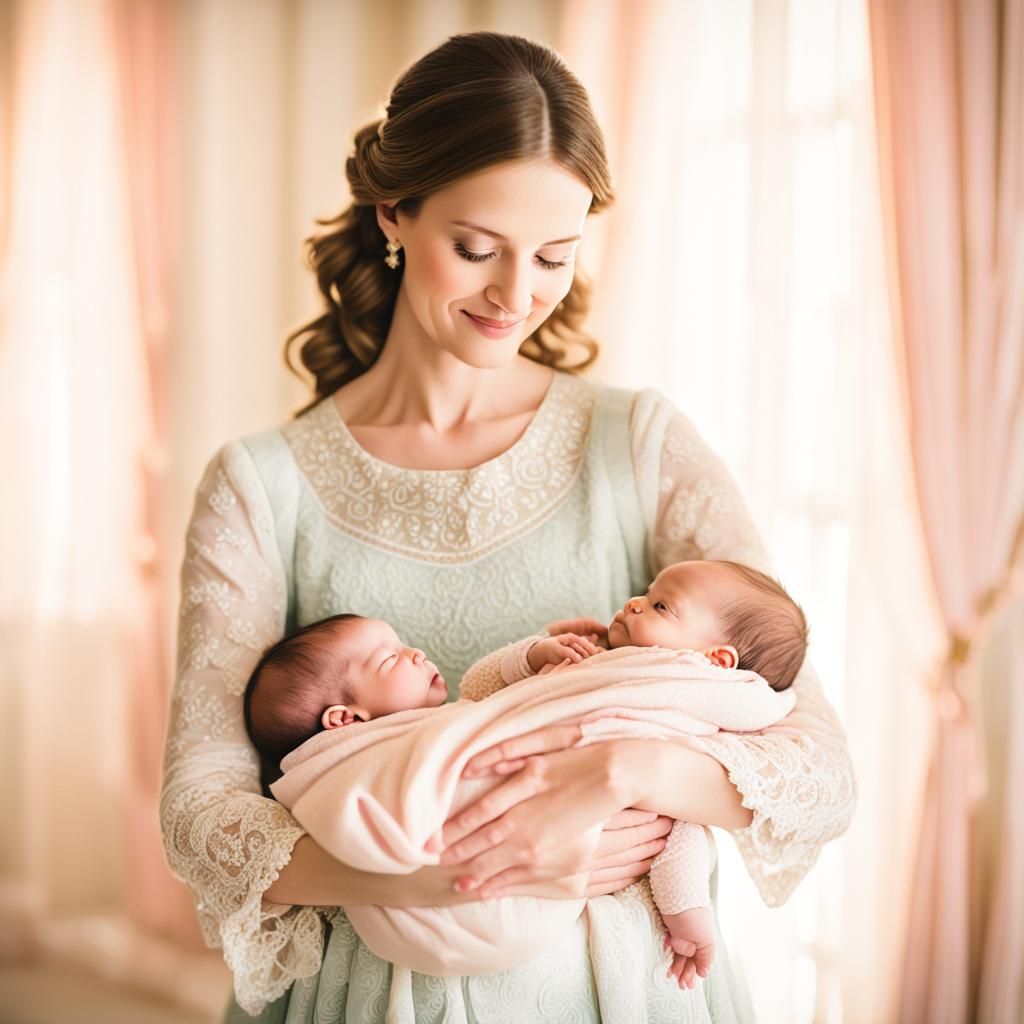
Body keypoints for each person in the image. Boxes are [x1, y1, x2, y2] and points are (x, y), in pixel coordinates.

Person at [159, 30, 855, 1024]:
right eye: (477, 248)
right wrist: (437, 874)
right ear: (394, 212)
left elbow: (819, 769)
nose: (514, 295)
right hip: (368, 993)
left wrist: (614, 772)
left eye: (553, 258)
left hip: (626, 992)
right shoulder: (259, 488)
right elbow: (201, 817)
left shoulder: (641, 444)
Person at [239, 559, 806, 992]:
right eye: (646, 595)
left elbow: (675, 824)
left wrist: (688, 914)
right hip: (463, 843)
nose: (634, 604)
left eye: (660, 607)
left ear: (717, 661)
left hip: (581, 937)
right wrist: (534, 657)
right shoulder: (598, 664)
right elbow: (483, 697)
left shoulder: (678, 701)